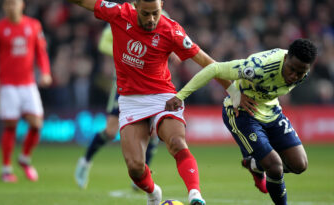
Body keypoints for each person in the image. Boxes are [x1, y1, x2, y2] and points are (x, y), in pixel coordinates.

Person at [65, 0, 247, 204]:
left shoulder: (171, 30)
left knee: (177, 143)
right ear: (135, 6)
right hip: (130, 100)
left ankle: (195, 194)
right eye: (145, 14)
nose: (151, 19)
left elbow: (207, 62)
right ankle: (153, 192)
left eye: (156, 13)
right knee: (135, 167)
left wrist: (232, 90)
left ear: (162, 6)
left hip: (163, 97)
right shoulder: (119, 14)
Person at [165, 39, 318, 205]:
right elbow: (214, 68)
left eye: (300, 73)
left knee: (299, 165)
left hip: (271, 113)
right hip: (242, 113)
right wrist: (181, 96)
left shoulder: (303, 72)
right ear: (286, 58)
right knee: (274, 166)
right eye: (292, 69)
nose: (294, 76)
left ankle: (255, 164)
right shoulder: (258, 67)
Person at [74, 22, 159, 190]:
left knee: (154, 131)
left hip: (151, 83)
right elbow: (103, 43)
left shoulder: (160, 16)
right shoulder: (121, 17)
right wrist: (124, 50)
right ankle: (85, 161)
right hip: (124, 81)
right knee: (111, 131)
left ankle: (143, 178)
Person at [0, 0, 52, 183]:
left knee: (37, 124)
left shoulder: (34, 25)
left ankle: (24, 158)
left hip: (28, 83)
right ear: (4, 7)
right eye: (7, 4)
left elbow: (41, 52)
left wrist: (45, 72)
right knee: (10, 125)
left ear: (22, 5)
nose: (10, 7)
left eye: (13, 3)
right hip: (7, 85)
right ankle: (6, 169)